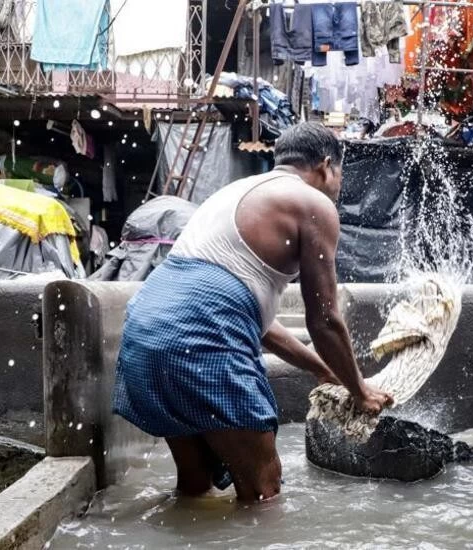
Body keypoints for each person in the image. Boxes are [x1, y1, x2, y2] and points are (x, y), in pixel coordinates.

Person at [112, 122, 393, 502]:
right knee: (264, 491)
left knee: (194, 489)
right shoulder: (314, 204)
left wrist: (324, 371)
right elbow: (325, 319)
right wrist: (360, 391)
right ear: (327, 166)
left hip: (145, 334)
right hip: (201, 338)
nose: (337, 187)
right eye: (339, 175)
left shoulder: (232, 193)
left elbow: (252, 318)